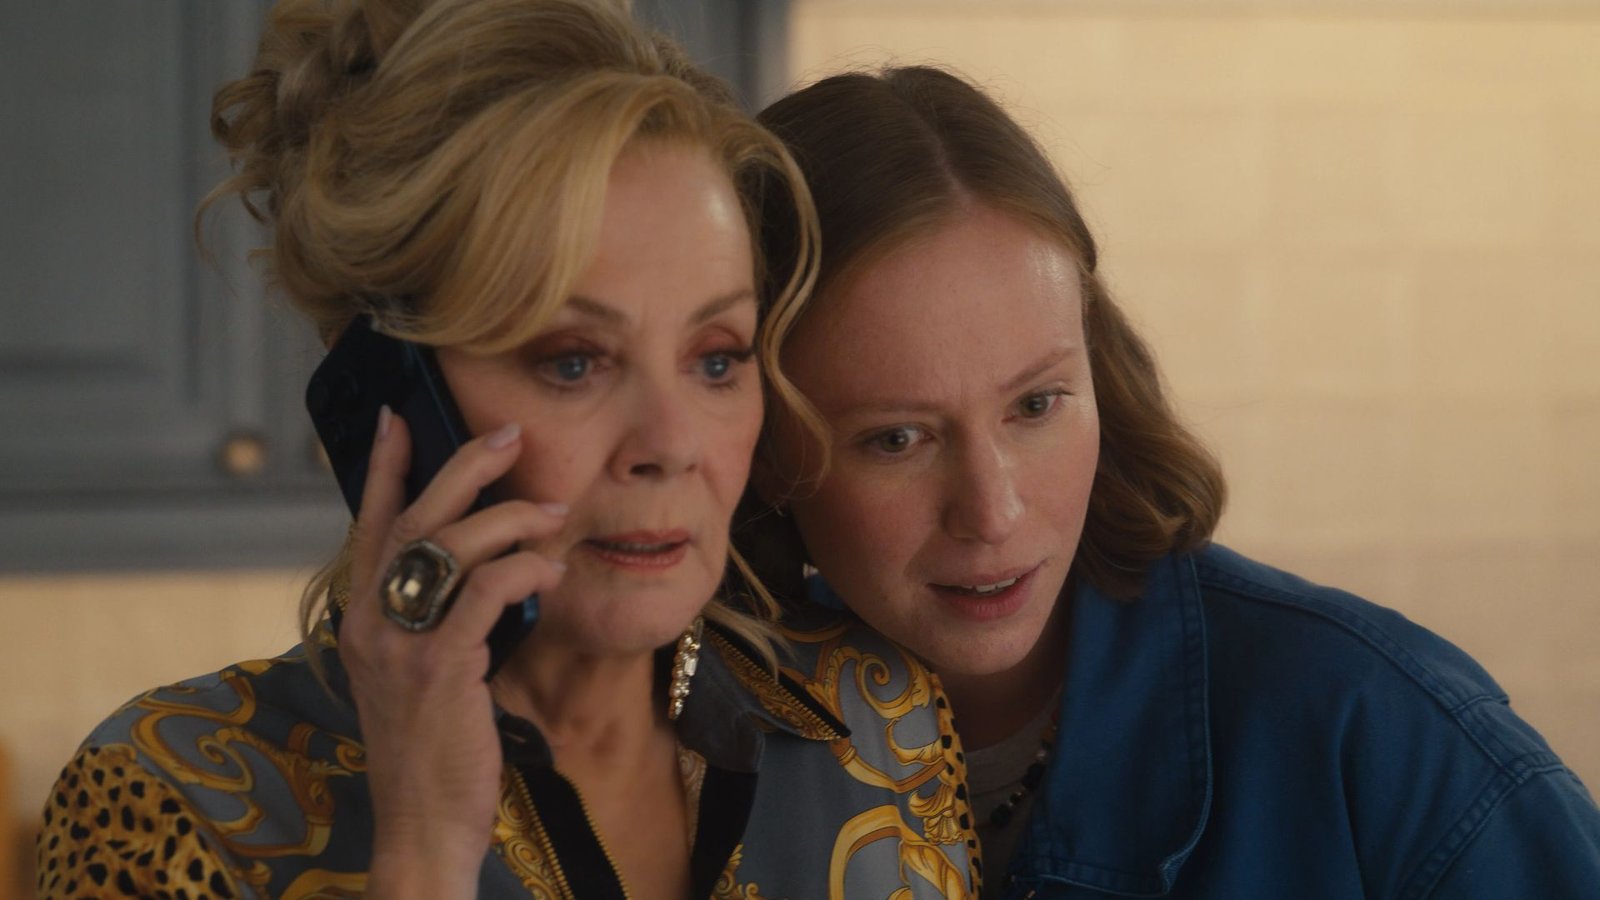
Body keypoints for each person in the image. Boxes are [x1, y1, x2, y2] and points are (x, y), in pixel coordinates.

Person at [34, 6, 978, 898]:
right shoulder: (171, 797)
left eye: (717, 358)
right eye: (573, 362)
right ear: (387, 385)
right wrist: (423, 848)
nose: (671, 446)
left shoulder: (876, 715)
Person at [738, 65, 1600, 898]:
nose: (994, 512)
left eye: (1035, 404)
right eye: (897, 439)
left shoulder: (1380, 733)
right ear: (767, 449)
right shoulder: (704, 748)